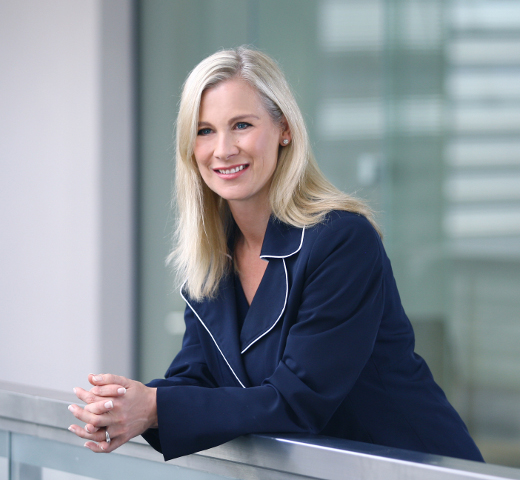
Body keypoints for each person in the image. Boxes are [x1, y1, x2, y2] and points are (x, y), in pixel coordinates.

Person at [68, 46, 484, 463]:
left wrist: (155, 407)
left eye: (241, 125)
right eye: (205, 130)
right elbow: (197, 379)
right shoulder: (213, 258)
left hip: (413, 468)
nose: (223, 149)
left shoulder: (342, 241)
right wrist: (124, 403)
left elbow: (299, 399)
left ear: (284, 128)